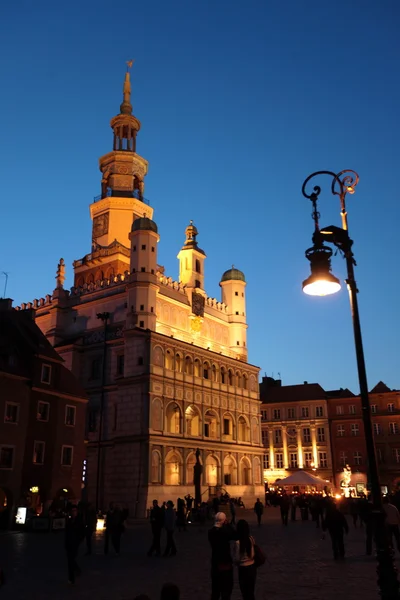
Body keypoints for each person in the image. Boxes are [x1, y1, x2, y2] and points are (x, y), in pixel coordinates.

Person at [208, 512, 235, 600]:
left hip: (215, 562)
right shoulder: (225, 532)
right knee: (226, 591)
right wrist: (228, 525)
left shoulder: (210, 532)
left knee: (215, 591)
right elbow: (235, 534)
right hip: (225, 563)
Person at [232, 519, 256, 600]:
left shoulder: (238, 542)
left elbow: (237, 558)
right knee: (251, 592)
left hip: (243, 569)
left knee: (245, 592)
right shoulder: (251, 539)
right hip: (252, 567)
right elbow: (253, 554)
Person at [65, 504, 85, 585]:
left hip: (75, 543)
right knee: (70, 561)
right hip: (68, 543)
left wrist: (79, 540)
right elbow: (67, 532)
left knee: (71, 559)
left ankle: (75, 572)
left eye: (75, 511)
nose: (74, 512)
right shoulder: (69, 521)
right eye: (73, 511)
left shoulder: (79, 521)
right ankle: (71, 578)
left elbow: (82, 532)